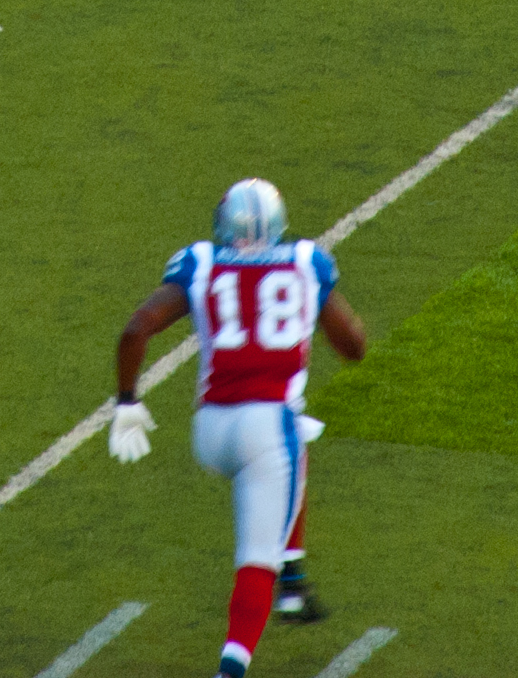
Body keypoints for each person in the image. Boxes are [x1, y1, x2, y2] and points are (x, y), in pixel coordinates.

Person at [107, 181, 366, 676]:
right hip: (266, 430)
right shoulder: (307, 261)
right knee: (254, 559)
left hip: (210, 431)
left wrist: (126, 401)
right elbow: (353, 347)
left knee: (300, 435)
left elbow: (135, 329)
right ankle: (235, 663)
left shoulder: (201, 261)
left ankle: (294, 575)